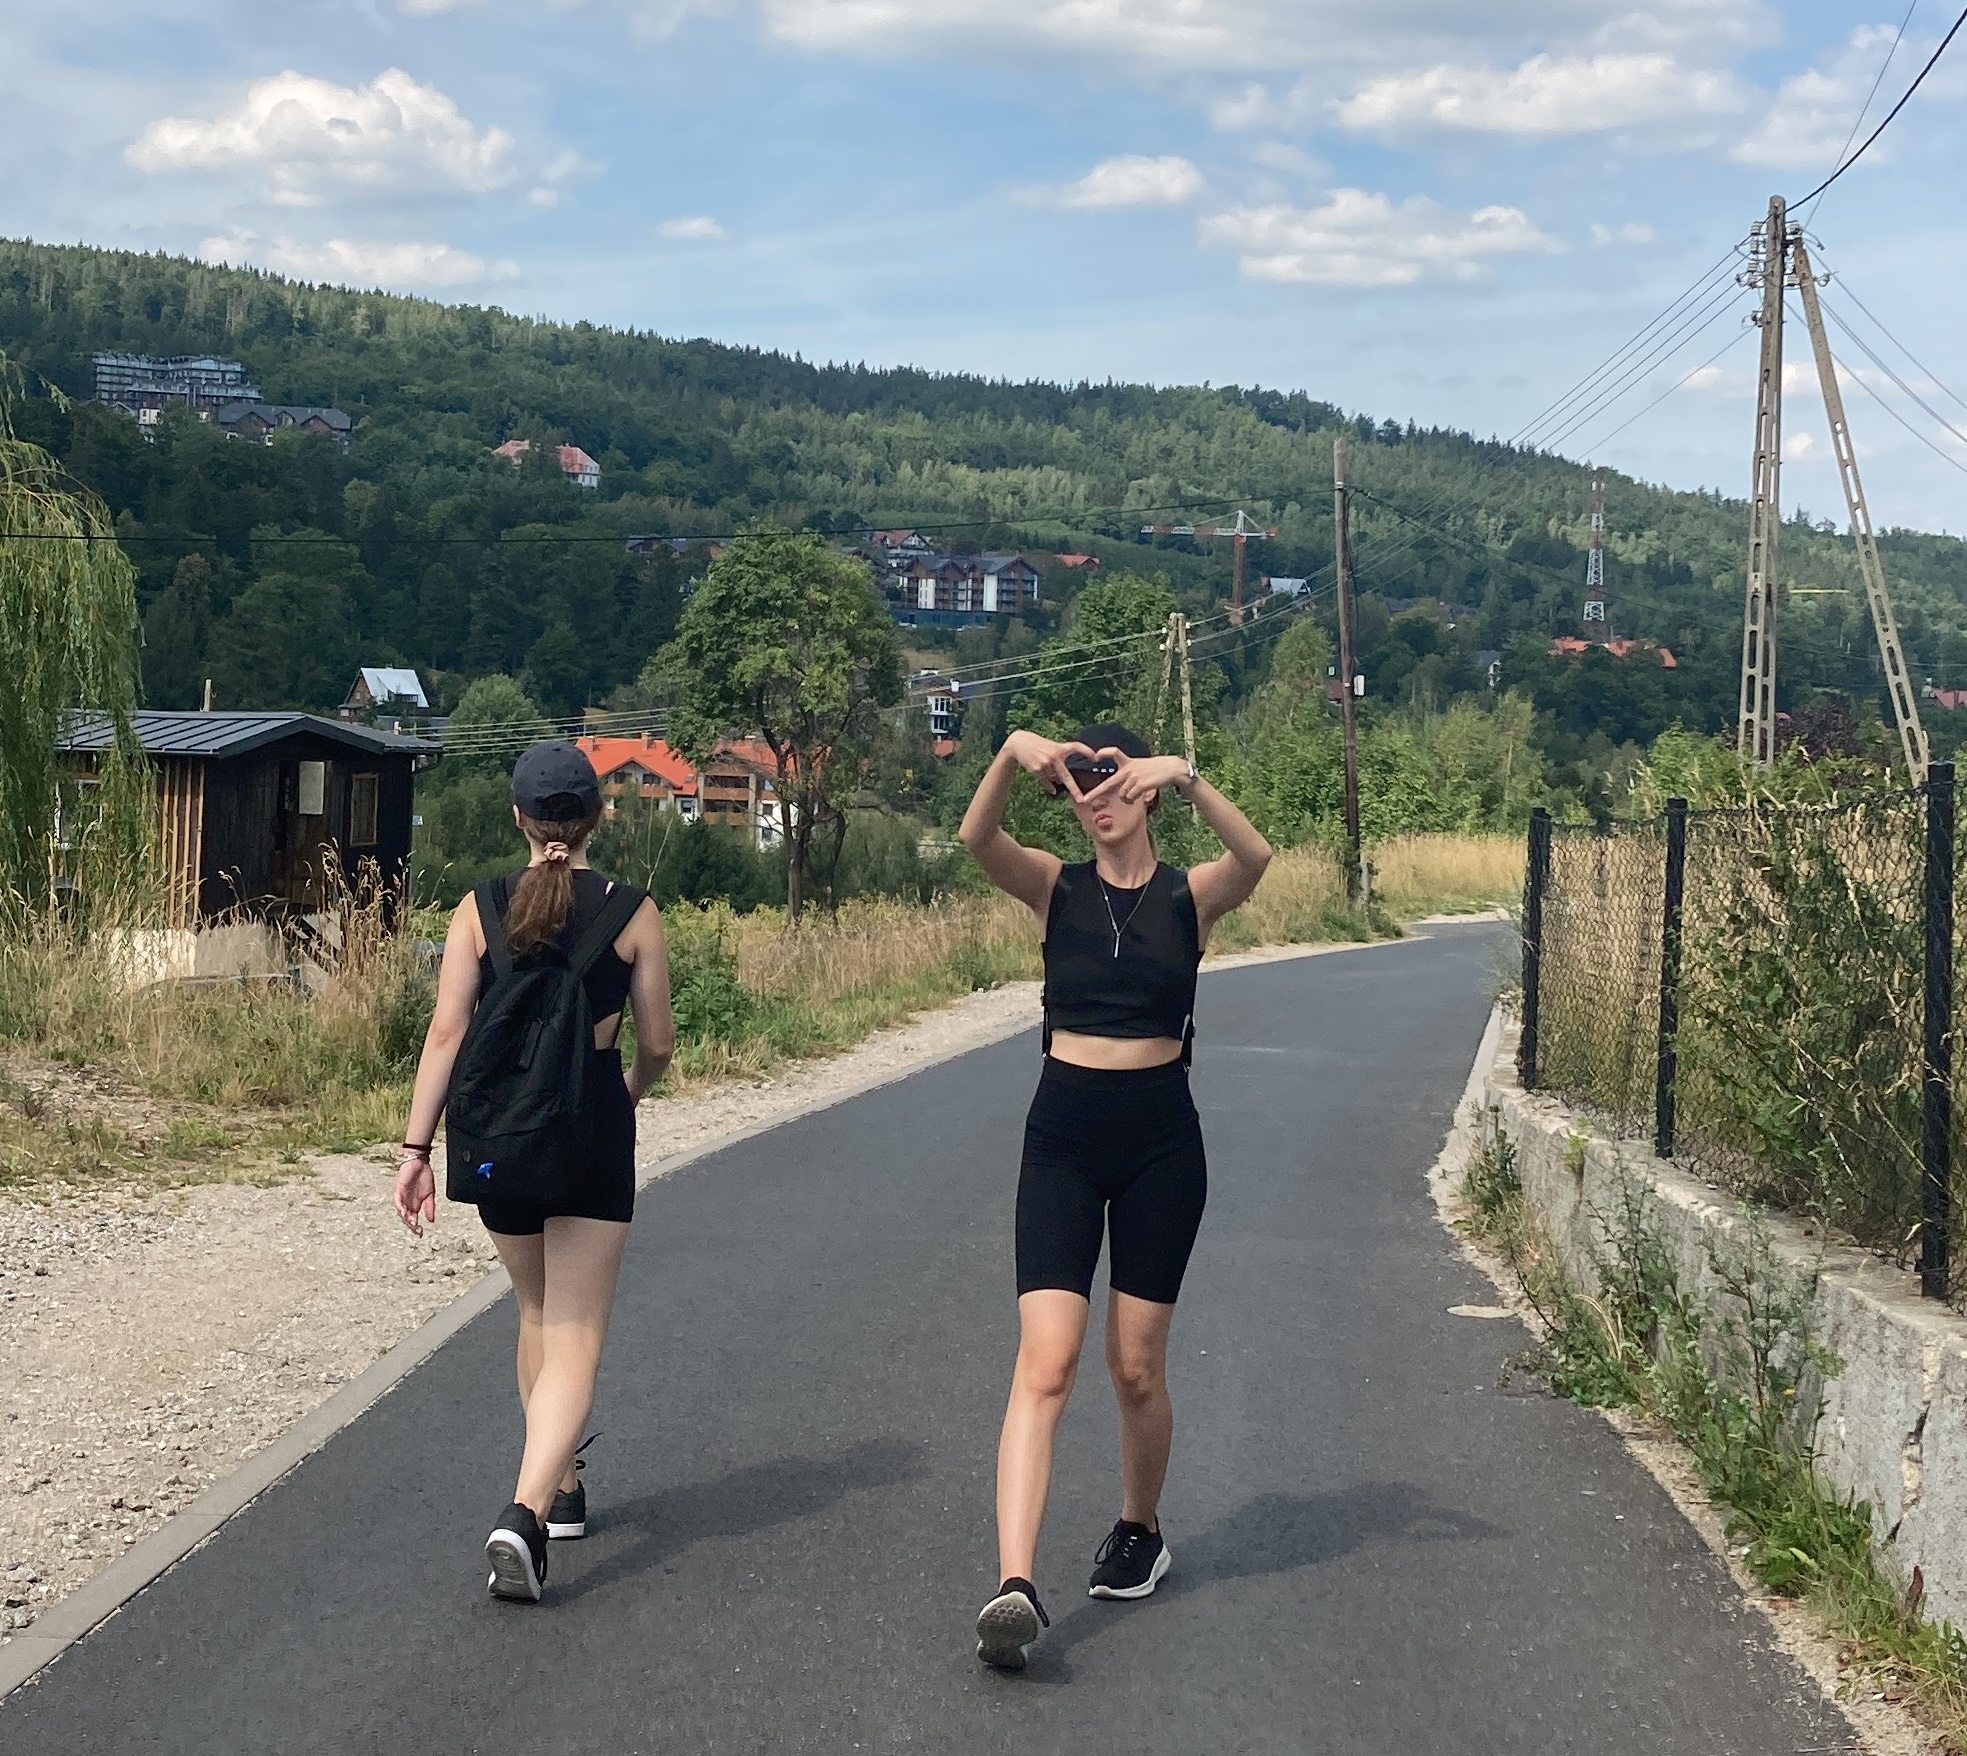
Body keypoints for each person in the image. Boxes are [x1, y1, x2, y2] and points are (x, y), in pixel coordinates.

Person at [958, 721, 1272, 1669]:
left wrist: (1188, 774)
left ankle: (1140, 1527)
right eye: (1077, 782)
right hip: (1061, 1139)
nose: (1093, 794)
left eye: (1110, 776)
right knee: (1045, 1361)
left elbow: (1254, 857)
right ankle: (1014, 1585)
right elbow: (977, 838)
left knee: (1134, 1368)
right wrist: (1012, 754)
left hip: (1160, 1146)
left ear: (1142, 787)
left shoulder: (1187, 897)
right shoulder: (1053, 887)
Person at [392, 740, 675, 1603]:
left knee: (536, 1314)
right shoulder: (632, 912)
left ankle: (563, 1491)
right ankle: (525, 1510)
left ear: (517, 816)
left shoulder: (477, 910)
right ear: (598, 817)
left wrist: (414, 1151)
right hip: (590, 1129)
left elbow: (447, 1034)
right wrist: (626, 1092)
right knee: (578, 1333)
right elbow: (659, 1042)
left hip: (500, 1134)